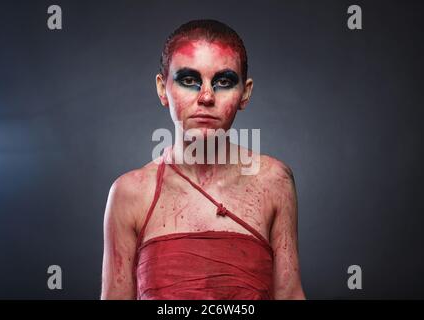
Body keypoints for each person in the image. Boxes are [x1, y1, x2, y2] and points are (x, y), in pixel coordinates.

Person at [101, 19, 305, 300]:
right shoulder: (129, 194)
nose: (206, 96)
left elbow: (290, 294)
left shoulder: (274, 182)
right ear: (163, 88)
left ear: (244, 93)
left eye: (223, 81)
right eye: (189, 80)